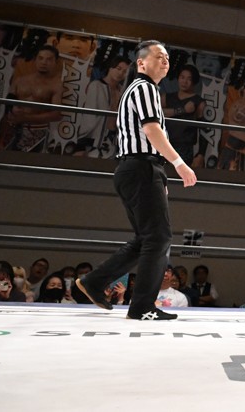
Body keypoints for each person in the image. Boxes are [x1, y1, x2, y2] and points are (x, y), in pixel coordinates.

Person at [75, 40, 198, 321]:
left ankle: (94, 281)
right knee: (158, 237)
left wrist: (160, 173)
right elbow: (152, 130)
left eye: (167, 57)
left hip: (139, 168)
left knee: (147, 238)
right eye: (159, 56)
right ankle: (142, 306)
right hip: (140, 167)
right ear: (141, 63)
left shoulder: (141, 89)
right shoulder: (144, 88)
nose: (165, 61)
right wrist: (179, 163)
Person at [2, 45, 63, 152]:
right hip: (13, 128)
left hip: (38, 131)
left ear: (55, 62)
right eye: (41, 58)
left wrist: (25, 118)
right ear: (35, 60)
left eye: (49, 59)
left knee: (30, 160)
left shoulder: (56, 85)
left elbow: (56, 114)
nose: (44, 62)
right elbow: (9, 101)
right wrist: (12, 108)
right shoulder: (20, 80)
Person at [74, 55, 130, 157]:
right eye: (118, 68)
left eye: (125, 71)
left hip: (114, 139)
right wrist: (82, 144)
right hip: (95, 138)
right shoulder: (96, 85)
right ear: (111, 67)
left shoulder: (122, 91)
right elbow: (89, 117)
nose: (121, 73)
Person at [163, 64, 206, 168]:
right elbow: (157, 113)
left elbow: (204, 130)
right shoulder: (167, 97)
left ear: (194, 81)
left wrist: (201, 153)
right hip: (164, 144)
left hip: (185, 148)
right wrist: (183, 110)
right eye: (182, 77)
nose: (184, 82)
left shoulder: (198, 102)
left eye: (189, 79)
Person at [219, 74, 245, 171]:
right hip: (234, 152)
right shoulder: (240, 105)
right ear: (244, 90)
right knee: (227, 178)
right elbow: (237, 116)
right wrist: (239, 114)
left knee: (243, 179)